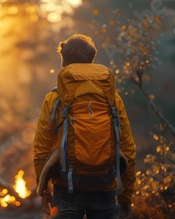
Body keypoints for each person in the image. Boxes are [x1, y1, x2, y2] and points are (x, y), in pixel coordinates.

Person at [33, 34, 136, 219]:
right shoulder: (112, 99)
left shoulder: (55, 99)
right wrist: (125, 197)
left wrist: (44, 189)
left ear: (64, 61)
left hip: (66, 188)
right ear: (91, 59)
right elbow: (127, 147)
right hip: (104, 186)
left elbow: (41, 148)